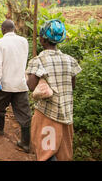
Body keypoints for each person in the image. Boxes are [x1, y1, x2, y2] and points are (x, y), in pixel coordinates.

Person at [26, 19, 82, 161]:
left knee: (46, 152)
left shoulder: (38, 60)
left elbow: (31, 87)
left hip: (47, 114)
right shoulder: (70, 60)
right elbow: (72, 85)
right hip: (67, 114)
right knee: (64, 154)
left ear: (43, 40)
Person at [0, 20, 32, 153]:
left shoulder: (0, 43)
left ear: (3, 30)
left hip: (6, 84)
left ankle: (0, 127)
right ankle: (25, 142)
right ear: (14, 29)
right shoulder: (24, 41)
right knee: (24, 113)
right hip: (20, 83)